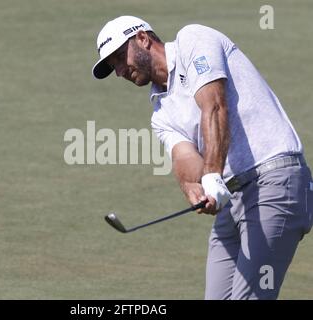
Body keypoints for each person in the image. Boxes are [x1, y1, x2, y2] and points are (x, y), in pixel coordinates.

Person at [92, 15, 313, 299]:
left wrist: (211, 175)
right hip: (232, 199)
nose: (120, 70)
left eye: (120, 57)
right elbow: (184, 156)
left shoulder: (193, 40)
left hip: (274, 182)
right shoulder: (161, 113)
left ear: (143, 39)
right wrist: (193, 188)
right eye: (113, 67)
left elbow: (215, 104)